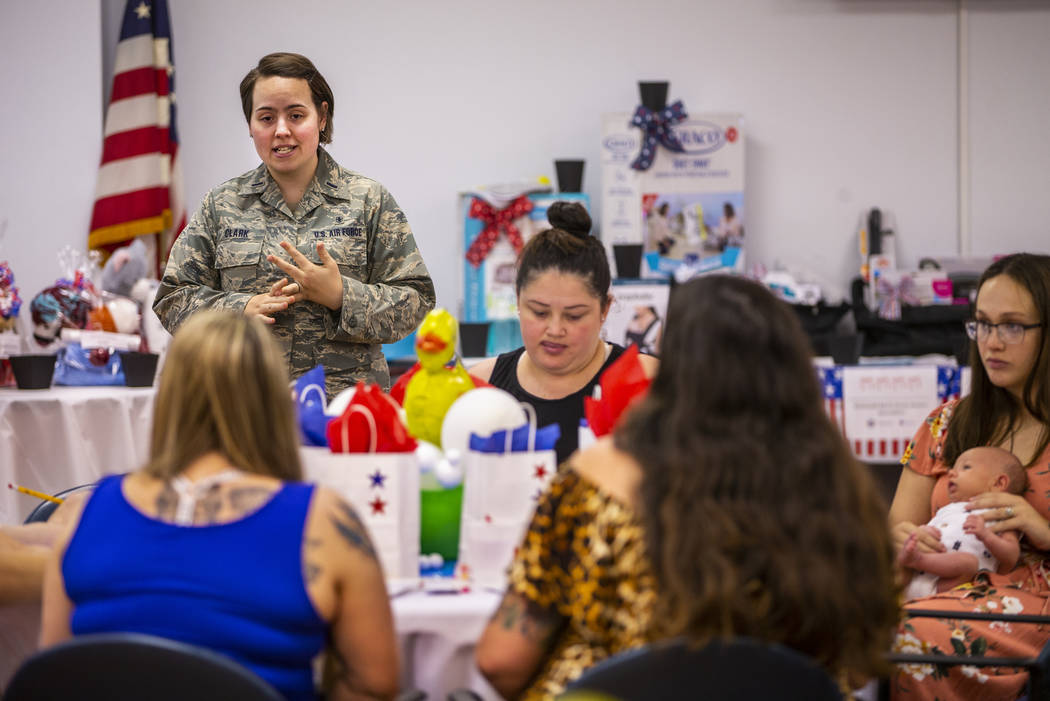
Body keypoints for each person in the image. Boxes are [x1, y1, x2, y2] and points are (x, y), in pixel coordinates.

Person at [475, 275, 899, 699]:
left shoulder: (596, 482)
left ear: (673, 368)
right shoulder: (839, 491)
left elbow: (501, 662)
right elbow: (861, 663)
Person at [39, 311, 399, 701]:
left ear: (169, 398)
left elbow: (54, 674)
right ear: (275, 400)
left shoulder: (85, 515)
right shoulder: (324, 522)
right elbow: (374, 685)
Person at [154, 52, 435, 399]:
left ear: (322, 116)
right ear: (250, 125)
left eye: (296, 115)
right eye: (267, 117)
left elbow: (415, 299)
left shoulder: (368, 200)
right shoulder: (221, 205)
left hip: (346, 412)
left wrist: (342, 296)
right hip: (244, 408)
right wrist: (238, 309)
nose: (281, 130)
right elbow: (172, 298)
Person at [888, 252, 1050, 700]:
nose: (992, 342)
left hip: (1027, 601)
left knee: (913, 632)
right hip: (929, 581)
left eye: (1013, 326)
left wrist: (1041, 530)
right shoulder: (947, 422)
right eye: (982, 324)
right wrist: (907, 539)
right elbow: (895, 526)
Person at [470, 202, 658, 465]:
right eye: (539, 312)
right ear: (518, 300)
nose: (555, 330)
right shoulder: (479, 387)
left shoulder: (648, 382)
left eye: (574, 316)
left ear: (605, 308)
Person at [899, 446, 1026, 601]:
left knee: (968, 563)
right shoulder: (948, 509)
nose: (950, 473)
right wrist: (923, 532)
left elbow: (1011, 555)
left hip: (952, 585)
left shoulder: (1003, 514)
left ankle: (918, 560)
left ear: (999, 483)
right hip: (914, 579)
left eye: (966, 467)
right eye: (953, 468)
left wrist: (987, 536)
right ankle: (912, 560)